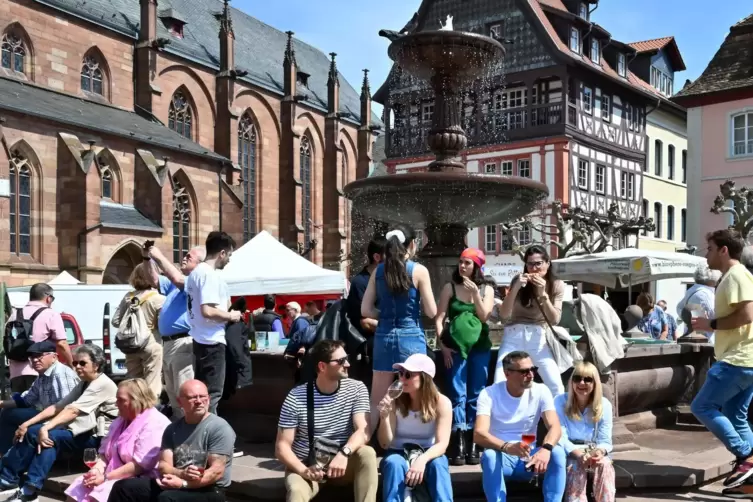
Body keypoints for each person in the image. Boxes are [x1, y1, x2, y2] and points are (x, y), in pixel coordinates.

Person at [0, 345, 118, 502]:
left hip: (100, 440)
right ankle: (10, 480)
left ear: (96, 365)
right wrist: (26, 424)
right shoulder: (84, 383)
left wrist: (46, 427)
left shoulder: (102, 384)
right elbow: (58, 406)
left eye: (82, 363)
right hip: (84, 432)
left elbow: (73, 411)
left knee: (50, 437)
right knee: (34, 432)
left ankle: (29, 489)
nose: (77, 367)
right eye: (75, 363)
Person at [690, 229, 753, 496]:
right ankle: (749, 483)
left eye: (710, 248)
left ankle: (747, 457)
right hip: (744, 359)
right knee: (736, 417)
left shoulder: (736, 275)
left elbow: (748, 314)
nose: (706, 254)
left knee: (701, 406)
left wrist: (711, 324)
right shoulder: (732, 277)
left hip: (738, 359)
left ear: (724, 250)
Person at [276, 340, 376, 502]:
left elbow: (363, 431)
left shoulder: (356, 389)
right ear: (322, 367)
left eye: (347, 358)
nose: (348, 364)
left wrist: (344, 453)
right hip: (308, 464)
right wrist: (303, 471)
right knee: (296, 491)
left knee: (367, 453)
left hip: (342, 463)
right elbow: (282, 447)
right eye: (341, 361)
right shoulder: (296, 397)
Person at [108, 380, 236, 502]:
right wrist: (179, 474)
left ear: (208, 399)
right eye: (192, 397)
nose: (199, 401)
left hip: (209, 490)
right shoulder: (172, 429)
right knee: (124, 487)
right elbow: (164, 465)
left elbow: (216, 472)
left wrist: (184, 484)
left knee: (167, 498)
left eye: (203, 396)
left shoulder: (219, 428)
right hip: (177, 482)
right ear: (180, 402)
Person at [362, 224, 437, 430]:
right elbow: (431, 311)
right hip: (411, 336)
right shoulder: (419, 270)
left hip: (384, 336)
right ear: (412, 244)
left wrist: (384, 316)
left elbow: (366, 310)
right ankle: (418, 438)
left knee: (377, 398)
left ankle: (369, 442)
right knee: (417, 392)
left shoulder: (378, 271)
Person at [474, 351, 566, 502]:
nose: (530, 375)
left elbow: (555, 426)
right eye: (524, 371)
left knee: (558, 453)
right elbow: (479, 434)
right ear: (507, 373)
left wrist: (546, 449)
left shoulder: (541, 390)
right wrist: (506, 446)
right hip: (501, 456)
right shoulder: (489, 394)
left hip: (529, 457)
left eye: (533, 369)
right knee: (489, 455)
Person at [434, 248, 494, 466]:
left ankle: (475, 438)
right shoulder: (449, 287)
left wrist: (476, 294)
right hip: (455, 347)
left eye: (467, 263)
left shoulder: (486, 289)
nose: (462, 266)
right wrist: (442, 345)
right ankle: (459, 437)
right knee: (457, 392)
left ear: (477, 266)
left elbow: (485, 315)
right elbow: (439, 317)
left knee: (476, 392)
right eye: (460, 262)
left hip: (480, 346)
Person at [65, 379, 171, 502]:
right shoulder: (120, 421)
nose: (116, 404)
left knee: (102, 493)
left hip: (139, 477)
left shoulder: (154, 422)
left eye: (121, 400)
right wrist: (95, 471)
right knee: (79, 486)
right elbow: (104, 455)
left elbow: (139, 466)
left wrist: (105, 477)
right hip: (112, 474)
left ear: (136, 401)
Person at [377, 354, 453, 502]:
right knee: (394, 463)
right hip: (397, 452)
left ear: (425, 378)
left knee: (439, 463)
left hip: (428, 452)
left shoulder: (442, 402)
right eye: (400, 374)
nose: (402, 379)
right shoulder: (394, 399)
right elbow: (385, 444)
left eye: (408, 375)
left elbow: (442, 444)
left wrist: (422, 460)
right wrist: (384, 417)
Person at [494, 245, 566, 396]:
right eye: (530, 264)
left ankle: (554, 419)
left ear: (547, 263)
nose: (534, 268)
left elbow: (555, 320)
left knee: (556, 387)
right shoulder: (518, 280)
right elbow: (504, 315)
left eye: (538, 263)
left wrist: (543, 295)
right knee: (499, 382)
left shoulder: (556, 285)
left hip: (538, 339)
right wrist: (515, 289)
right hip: (513, 336)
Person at [147, 244, 205, 420]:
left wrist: (158, 256)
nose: (184, 257)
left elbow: (176, 278)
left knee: (185, 392)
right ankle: (180, 433)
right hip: (169, 343)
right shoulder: (174, 285)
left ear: (200, 264)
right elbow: (153, 279)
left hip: (182, 343)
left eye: (190, 256)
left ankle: (190, 435)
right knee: (173, 394)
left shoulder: (193, 281)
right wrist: (146, 258)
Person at [185, 231, 241, 414]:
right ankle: (210, 437)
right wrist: (231, 316)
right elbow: (207, 310)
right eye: (230, 255)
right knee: (211, 396)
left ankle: (199, 435)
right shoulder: (209, 275)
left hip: (199, 339)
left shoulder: (196, 273)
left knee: (200, 395)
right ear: (222, 253)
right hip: (212, 341)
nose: (229, 260)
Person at [0, 341, 79, 457]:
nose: (35, 360)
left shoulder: (61, 374)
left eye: (39, 356)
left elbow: (66, 409)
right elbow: (26, 401)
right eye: (32, 357)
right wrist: (2, 403)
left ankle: (11, 459)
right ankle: (7, 455)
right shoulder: (42, 376)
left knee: (29, 427)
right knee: (7, 413)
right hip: (47, 414)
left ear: (54, 357)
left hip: (63, 421)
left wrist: (30, 424)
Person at [554, 362, 615, 502]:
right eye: (577, 378)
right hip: (570, 451)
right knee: (576, 466)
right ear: (571, 381)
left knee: (604, 465)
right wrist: (577, 453)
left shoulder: (604, 404)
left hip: (594, 450)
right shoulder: (559, 401)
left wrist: (599, 452)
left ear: (595, 383)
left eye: (588, 379)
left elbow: (605, 440)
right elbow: (559, 435)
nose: (582, 383)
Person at [5, 283, 72, 393]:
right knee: (40, 407)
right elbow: (62, 344)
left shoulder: (15, 314)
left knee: (19, 406)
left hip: (16, 372)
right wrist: (71, 364)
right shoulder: (51, 314)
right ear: (48, 298)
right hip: (40, 371)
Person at [112, 263, 166, 399]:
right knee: (152, 381)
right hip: (151, 343)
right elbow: (164, 325)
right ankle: (150, 411)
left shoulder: (128, 297)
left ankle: (134, 409)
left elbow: (115, 321)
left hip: (131, 344)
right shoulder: (158, 298)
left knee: (133, 381)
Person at [676, 265, 721, 343]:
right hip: (704, 340)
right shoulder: (704, 294)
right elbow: (715, 317)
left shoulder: (694, 290)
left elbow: (679, 308)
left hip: (699, 338)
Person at [223, 298, 252, 399]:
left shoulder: (229, 324)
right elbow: (234, 346)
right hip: (233, 368)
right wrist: (241, 365)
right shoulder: (236, 324)